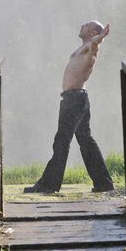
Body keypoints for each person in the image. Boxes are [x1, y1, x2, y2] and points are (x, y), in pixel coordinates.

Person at [24, 21, 114, 193]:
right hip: (76, 98)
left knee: (62, 140)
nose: (81, 25)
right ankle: (104, 183)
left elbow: (96, 43)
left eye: (86, 25)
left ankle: (48, 185)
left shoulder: (91, 47)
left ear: (93, 31)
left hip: (74, 99)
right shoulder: (82, 48)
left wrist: (101, 37)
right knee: (85, 140)